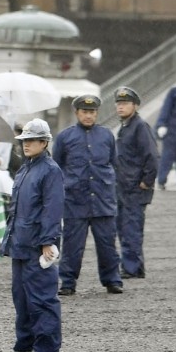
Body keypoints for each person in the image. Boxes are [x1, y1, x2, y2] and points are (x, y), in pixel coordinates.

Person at [0, 118, 64, 352]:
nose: (26, 144)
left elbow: (52, 208)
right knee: (21, 296)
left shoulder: (50, 170)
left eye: (32, 140)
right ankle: (25, 342)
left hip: (37, 244)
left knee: (42, 296)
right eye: (24, 140)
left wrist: (48, 241)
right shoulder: (26, 167)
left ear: (44, 142)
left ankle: (47, 345)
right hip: (21, 242)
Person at [52, 94, 123, 297]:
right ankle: (67, 282)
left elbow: (113, 162)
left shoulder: (107, 135)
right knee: (73, 245)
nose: (88, 116)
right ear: (77, 113)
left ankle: (112, 280)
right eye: (85, 112)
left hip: (102, 199)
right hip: (75, 200)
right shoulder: (65, 137)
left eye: (92, 112)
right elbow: (57, 166)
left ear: (97, 113)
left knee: (107, 244)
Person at [113, 86, 158, 280]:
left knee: (131, 228)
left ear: (135, 105)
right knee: (125, 227)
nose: (121, 107)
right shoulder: (126, 127)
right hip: (123, 186)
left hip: (134, 188)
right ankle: (135, 266)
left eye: (125, 103)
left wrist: (146, 182)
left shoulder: (139, 126)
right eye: (119, 103)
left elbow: (152, 156)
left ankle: (131, 267)